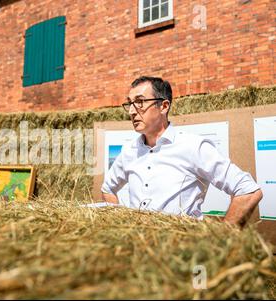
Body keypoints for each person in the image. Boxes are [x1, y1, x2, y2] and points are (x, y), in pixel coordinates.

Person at [101, 76, 262, 226]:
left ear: (163, 106)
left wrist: (223, 238)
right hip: (140, 251)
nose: (131, 111)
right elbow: (107, 188)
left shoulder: (193, 146)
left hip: (181, 250)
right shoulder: (130, 150)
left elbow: (248, 190)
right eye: (130, 103)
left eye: (140, 102)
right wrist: (119, 226)